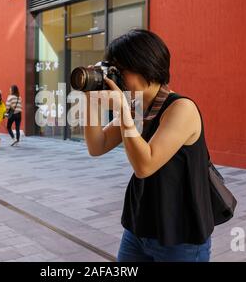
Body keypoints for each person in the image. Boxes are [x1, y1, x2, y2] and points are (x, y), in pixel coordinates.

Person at [84, 29, 214, 262]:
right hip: (139, 229)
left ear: (145, 66)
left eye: (119, 71)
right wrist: (91, 100)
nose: (116, 79)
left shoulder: (181, 109)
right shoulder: (137, 107)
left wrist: (123, 110)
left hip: (180, 236)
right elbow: (97, 146)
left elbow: (145, 165)